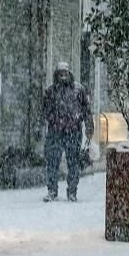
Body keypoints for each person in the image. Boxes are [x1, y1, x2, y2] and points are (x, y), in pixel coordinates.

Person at [41, 62, 92, 202]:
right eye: (60, 73)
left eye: (65, 73)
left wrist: (88, 127)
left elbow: (87, 110)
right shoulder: (50, 91)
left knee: (73, 163)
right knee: (52, 162)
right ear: (56, 74)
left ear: (70, 74)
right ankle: (52, 191)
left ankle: (72, 192)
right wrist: (54, 119)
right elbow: (45, 110)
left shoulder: (79, 90)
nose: (63, 76)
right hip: (55, 132)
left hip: (73, 132)